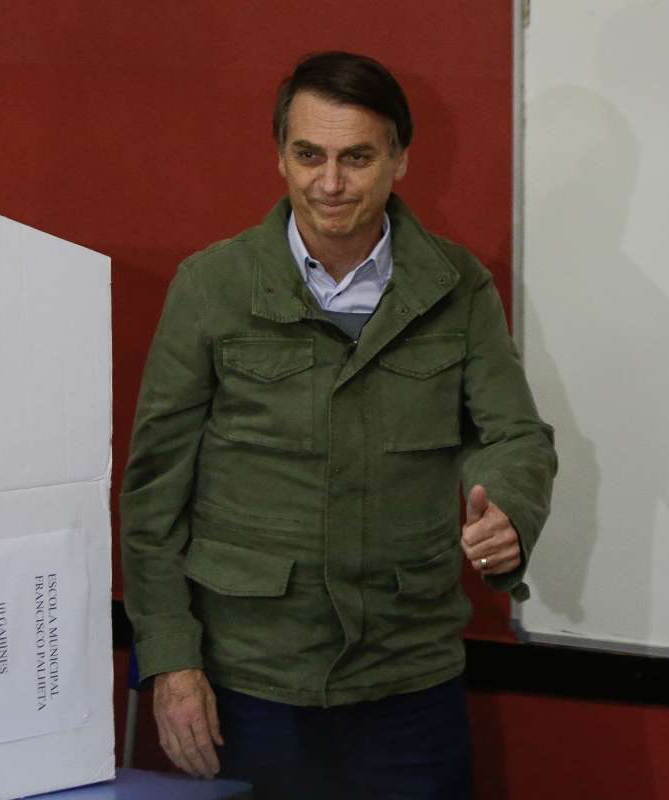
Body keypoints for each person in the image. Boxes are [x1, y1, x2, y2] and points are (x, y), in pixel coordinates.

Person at [120, 51, 557, 799]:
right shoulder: (212, 287)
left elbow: (512, 436)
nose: (329, 183)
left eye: (356, 157)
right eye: (308, 155)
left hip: (408, 676)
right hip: (249, 683)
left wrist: (508, 508)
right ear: (279, 156)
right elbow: (153, 497)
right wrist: (171, 662)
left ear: (400, 159)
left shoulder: (457, 288)